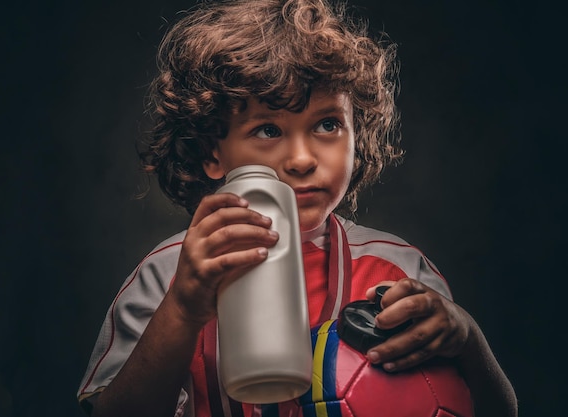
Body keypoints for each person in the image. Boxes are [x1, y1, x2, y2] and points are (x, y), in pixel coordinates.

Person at [77, 0, 517, 416]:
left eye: (328, 124)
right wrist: (182, 309)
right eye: (268, 129)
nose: (303, 159)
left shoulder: (397, 270)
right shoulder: (170, 272)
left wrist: (467, 340)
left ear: (356, 134)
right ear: (213, 153)